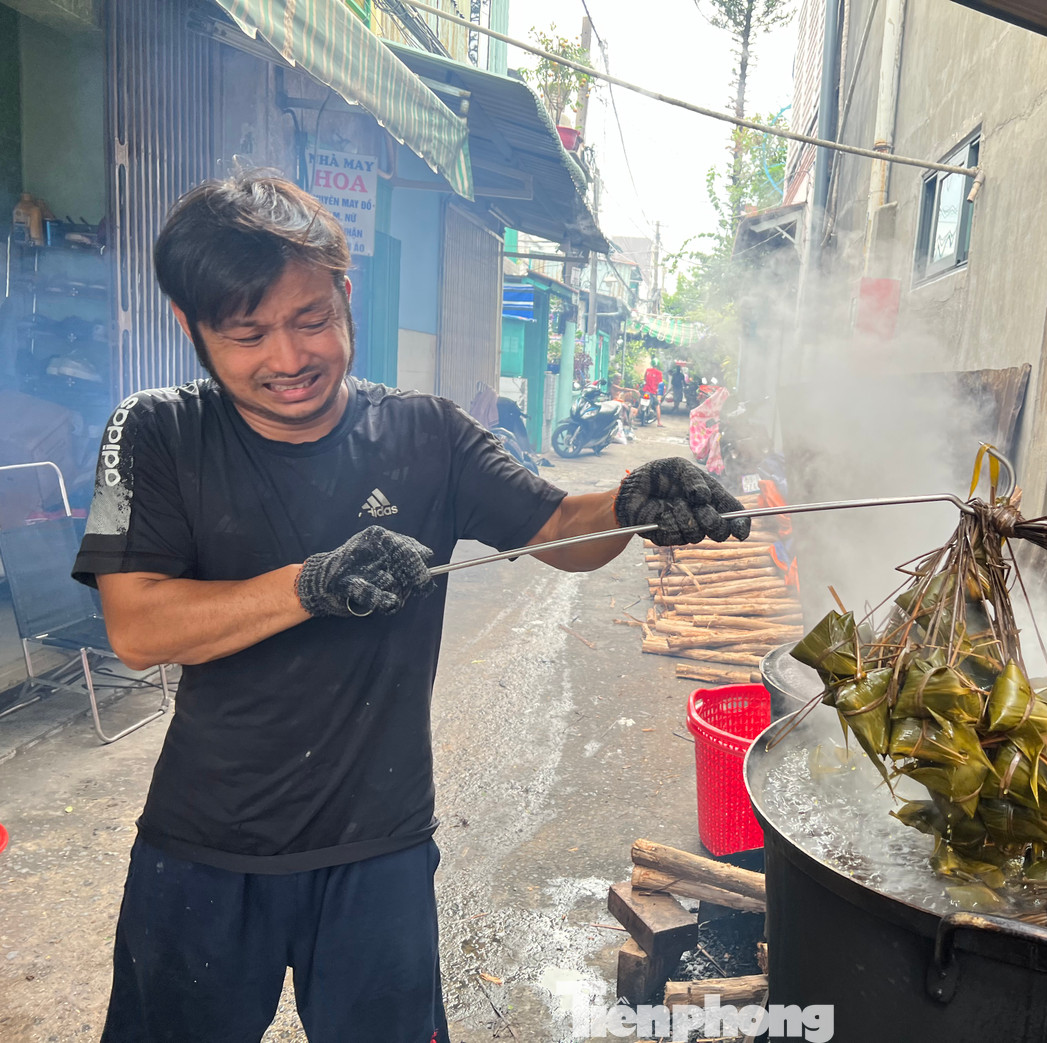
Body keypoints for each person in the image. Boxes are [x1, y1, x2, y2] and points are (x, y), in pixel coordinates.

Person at [76, 172, 750, 1043]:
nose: (287, 358)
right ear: (191, 327)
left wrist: (629, 501)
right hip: (204, 846)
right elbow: (138, 625)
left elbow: (554, 529)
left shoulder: (427, 434)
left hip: (378, 846)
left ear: (346, 297)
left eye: (311, 319)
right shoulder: (156, 433)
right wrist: (311, 584)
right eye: (247, 334)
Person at [642, 356, 664, 427]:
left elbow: (644, 379)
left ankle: (635, 416)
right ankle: (659, 422)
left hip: (646, 391)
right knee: (657, 406)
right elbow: (660, 383)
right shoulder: (659, 373)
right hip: (653, 392)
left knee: (641, 403)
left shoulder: (648, 370)